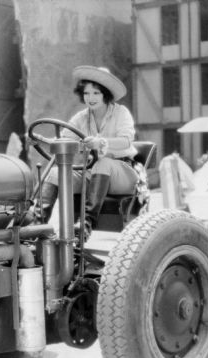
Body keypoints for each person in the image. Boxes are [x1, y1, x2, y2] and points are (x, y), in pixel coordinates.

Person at [40, 65, 139, 238]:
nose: (90, 98)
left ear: (106, 94)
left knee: (104, 163)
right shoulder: (81, 117)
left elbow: (126, 141)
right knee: (55, 173)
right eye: (86, 93)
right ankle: (37, 223)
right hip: (93, 172)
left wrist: (101, 142)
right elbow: (64, 138)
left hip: (123, 173)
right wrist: (41, 139)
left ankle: (86, 224)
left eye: (96, 93)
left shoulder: (121, 113)